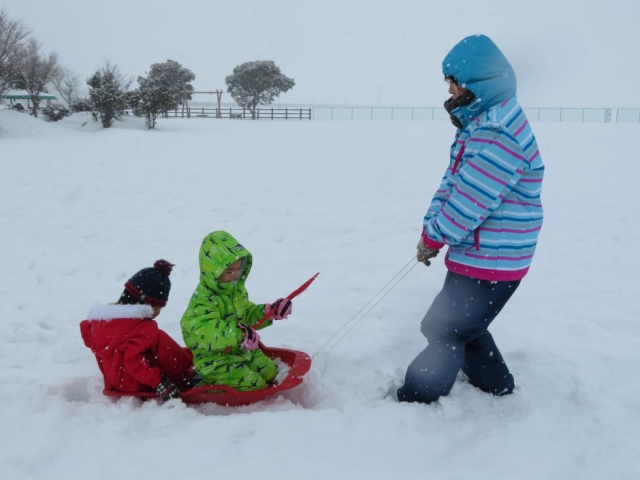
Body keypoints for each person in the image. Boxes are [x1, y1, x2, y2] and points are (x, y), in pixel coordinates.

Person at [397, 34, 545, 404]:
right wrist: (429, 229)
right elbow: (453, 183)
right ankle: (495, 386)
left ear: (481, 84)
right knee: (464, 326)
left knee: (444, 327)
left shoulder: (498, 132)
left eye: (455, 82)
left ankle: (417, 398)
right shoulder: (482, 124)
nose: (449, 89)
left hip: (493, 258)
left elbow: (470, 200)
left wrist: (436, 236)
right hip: (479, 254)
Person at [180, 231, 293, 391]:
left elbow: (246, 314)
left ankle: (240, 372)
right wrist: (239, 335)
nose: (235, 275)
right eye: (229, 271)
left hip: (241, 350)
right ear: (213, 271)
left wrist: (269, 311)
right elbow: (207, 332)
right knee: (255, 384)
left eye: (238, 269)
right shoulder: (203, 301)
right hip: (215, 361)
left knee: (270, 372)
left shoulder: (235, 290)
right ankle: (202, 383)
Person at [80, 259, 196, 401]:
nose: (158, 312)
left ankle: (185, 365)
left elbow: (88, 335)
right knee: (159, 338)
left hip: (115, 377)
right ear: (148, 305)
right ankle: (185, 374)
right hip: (134, 382)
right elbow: (134, 362)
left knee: (150, 342)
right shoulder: (142, 329)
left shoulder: (100, 322)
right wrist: (160, 383)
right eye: (158, 308)